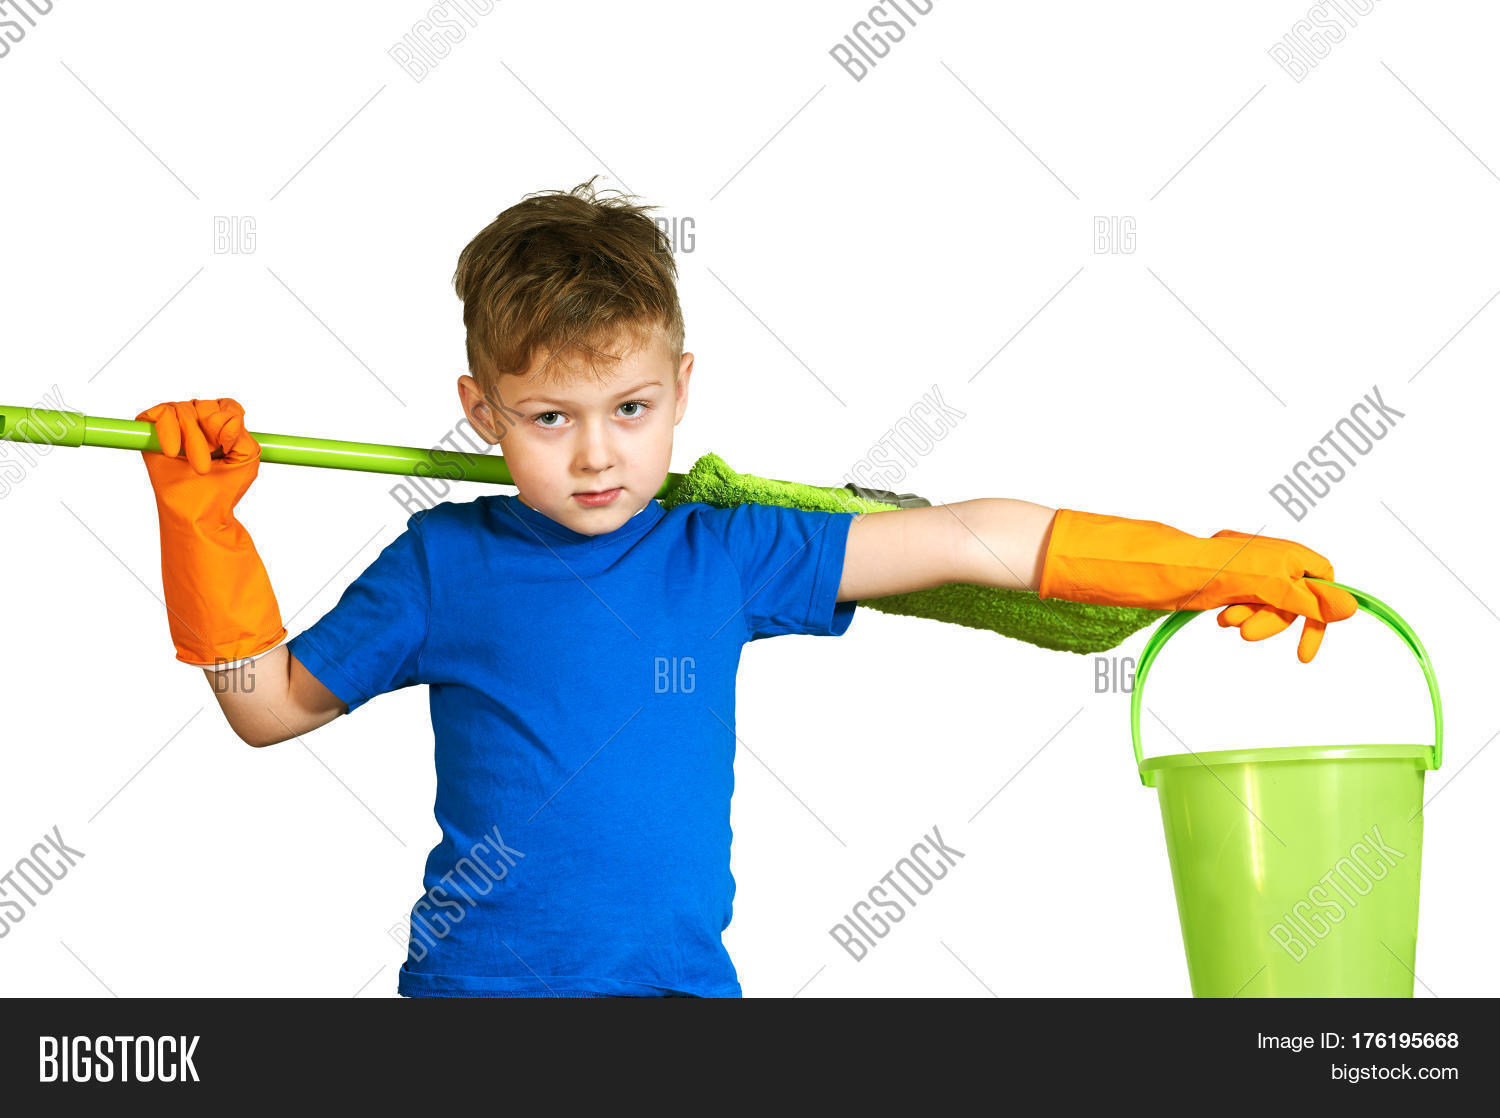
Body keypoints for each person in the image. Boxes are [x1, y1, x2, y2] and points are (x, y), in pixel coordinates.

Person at [135, 180, 1356, 997]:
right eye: (548, 417)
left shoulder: (725, 551)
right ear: (479, 411)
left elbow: (975, 539)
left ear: (682, 385)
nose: (598, 453)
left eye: (631, 408)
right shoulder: (444, 563)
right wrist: (202, 527)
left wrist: (1209, 562)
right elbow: (266, 704)